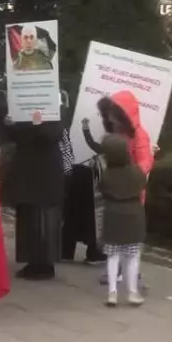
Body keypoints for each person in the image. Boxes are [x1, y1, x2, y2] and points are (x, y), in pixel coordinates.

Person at [83, 91, 154, 288]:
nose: (110, 117)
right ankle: (120, 270)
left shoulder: (139, 136)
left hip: (129, 192)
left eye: (114, 112)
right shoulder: (120, 134)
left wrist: (127, 178)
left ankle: (128, 271)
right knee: (116, 232)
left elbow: (145, 162)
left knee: (126, 232)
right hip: (119, 190)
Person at [0, 109, 64, 280]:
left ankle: (45, 264)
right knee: (28, 218)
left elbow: (54, 136)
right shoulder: (23, 111)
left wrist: (39, 124)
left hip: (46, 173)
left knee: (44, 220)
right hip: (26, 172)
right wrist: (10, 125)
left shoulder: (54, 111)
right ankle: (32, 261)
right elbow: (17, 138)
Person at [98, 134, 147, 307]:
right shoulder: (136, 172)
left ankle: (112, 292)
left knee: (113, 256)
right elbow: (143, 184)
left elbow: (102, 191)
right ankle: (132, 292)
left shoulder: (107, 174)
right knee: (132, 256)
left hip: (113, 216)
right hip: (134, 216)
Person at [58, 90, 105, 265]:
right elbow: (95, 146)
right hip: (85, 174)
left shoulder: (63, 123)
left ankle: (66, 251)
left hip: (78, 172)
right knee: (90, 215)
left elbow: (94, 146)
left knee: (74, 214)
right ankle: (91, 252)